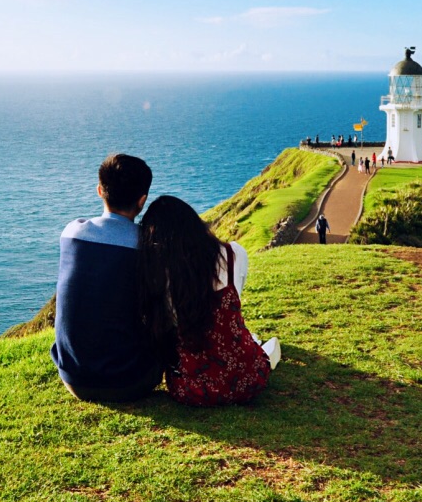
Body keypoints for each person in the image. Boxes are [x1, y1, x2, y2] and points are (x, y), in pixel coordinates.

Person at [137, 196, 277, 407]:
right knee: (264, 347)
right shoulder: (233, 253)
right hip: (249, 380)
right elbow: (236, 297)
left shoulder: (160, 273)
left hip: (194, 388)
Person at [50, 153, 161, 403]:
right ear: (142, 201)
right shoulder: (147, 246)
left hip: (73, 378)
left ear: (100, 190)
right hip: (129, 382)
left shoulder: (72, 232)